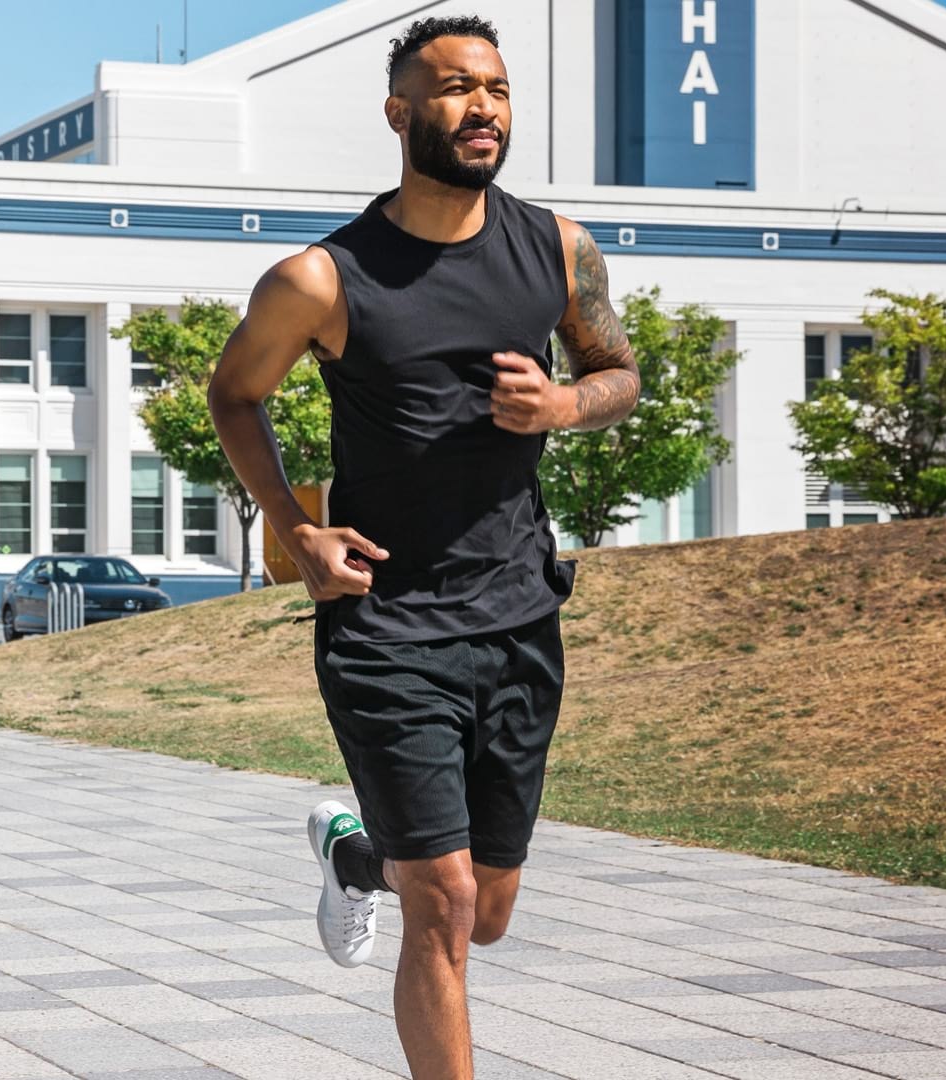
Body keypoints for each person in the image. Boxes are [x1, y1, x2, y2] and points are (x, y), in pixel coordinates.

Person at [208, 16, 638, 1079]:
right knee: (441, 906)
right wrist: (291, 521)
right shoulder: (324, 277)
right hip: (386, 624)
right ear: (400, 111)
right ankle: (394, 871)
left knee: (486, 912)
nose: (481, 107)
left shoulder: (558, 247)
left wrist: (563, 404)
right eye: (452, 88)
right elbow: (235, 393)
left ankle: (358, 853)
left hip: (518, 618)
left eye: (495, 87)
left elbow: (620, 375)